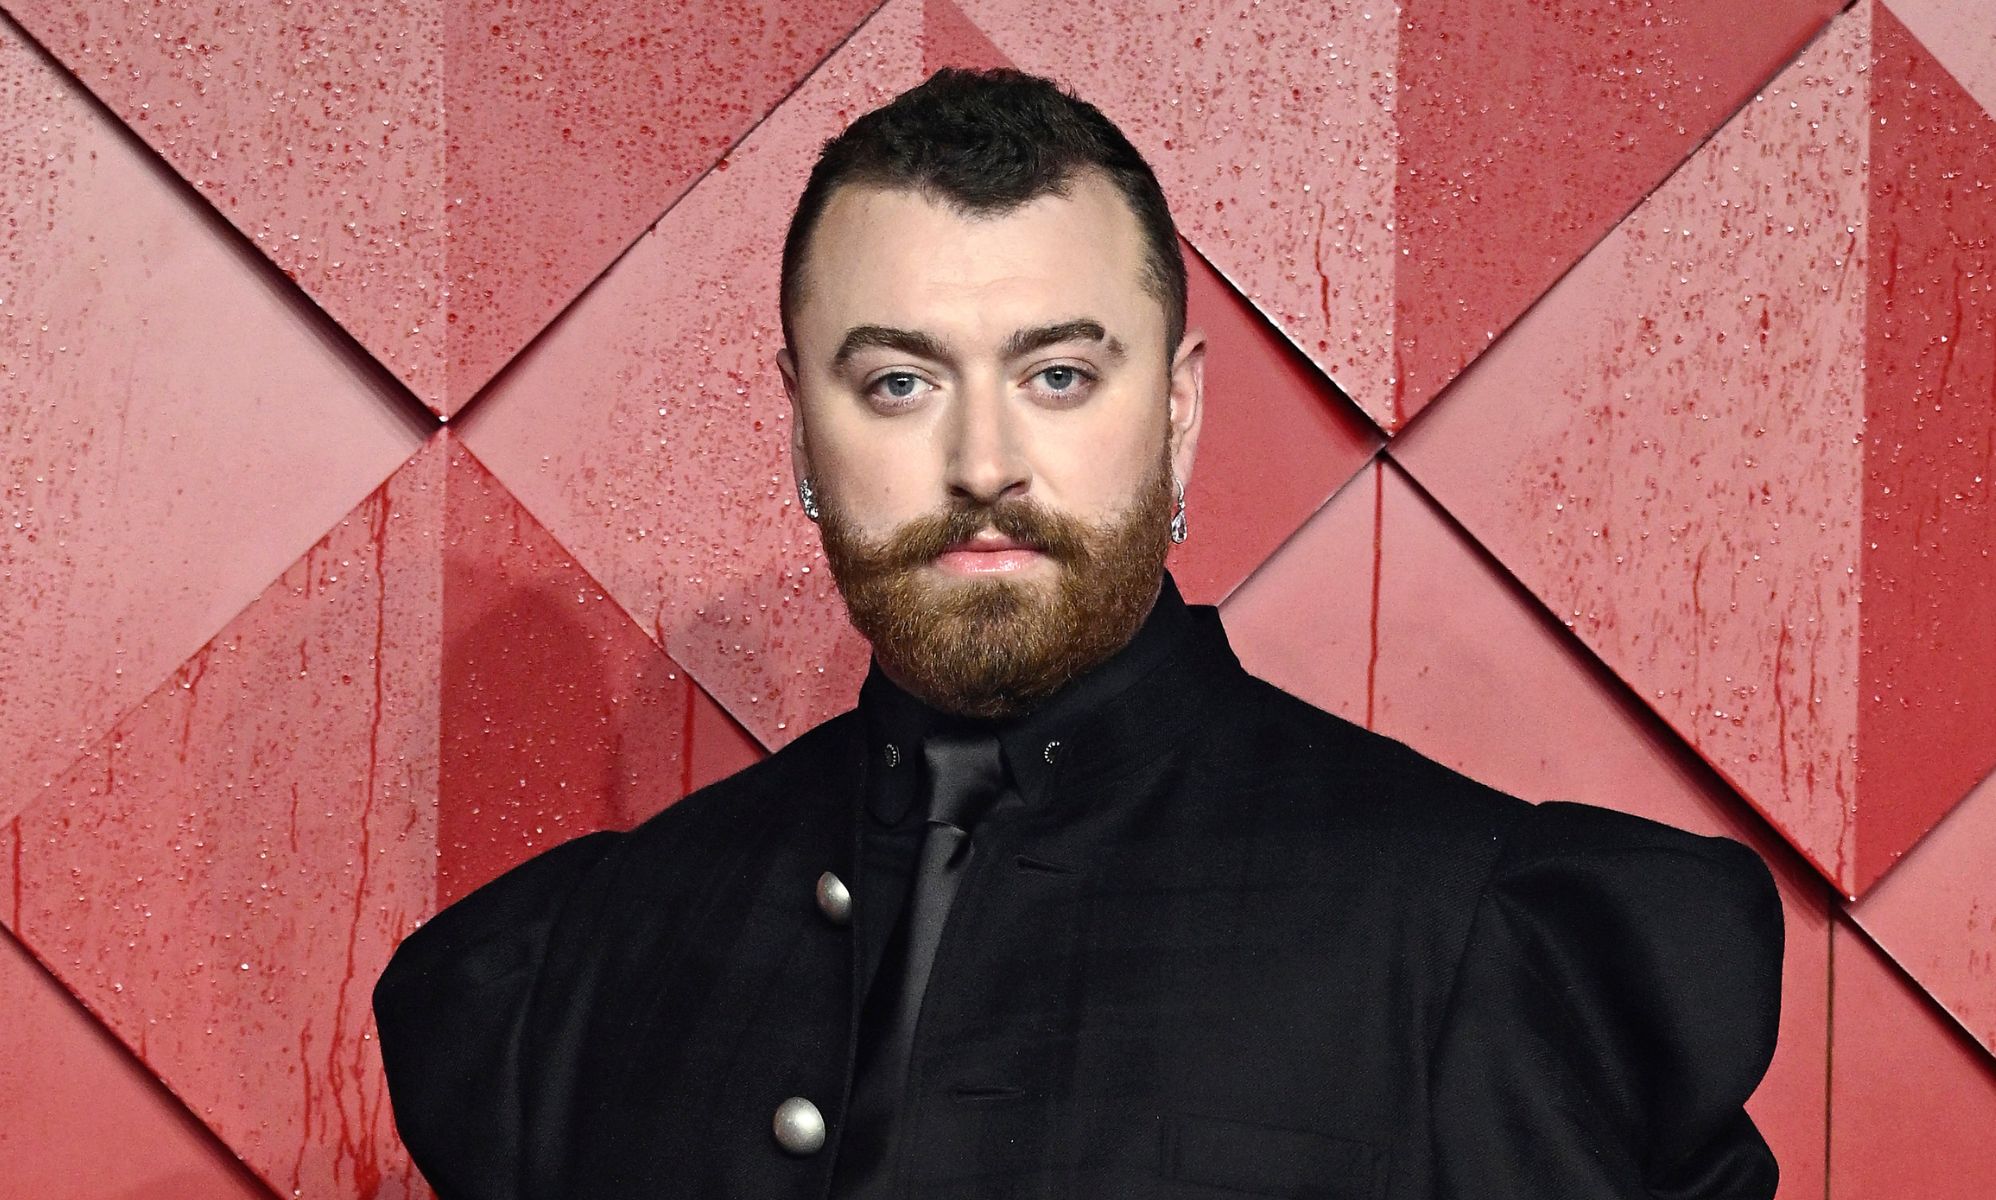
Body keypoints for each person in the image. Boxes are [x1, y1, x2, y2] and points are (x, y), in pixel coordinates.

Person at [374, 67, 1783, 1200]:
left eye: (1057, 375)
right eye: (901, 382)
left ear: (1175, 411)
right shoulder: (579, 974)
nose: (985, 458)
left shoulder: (1483, 938)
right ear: (802, 421)